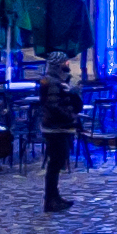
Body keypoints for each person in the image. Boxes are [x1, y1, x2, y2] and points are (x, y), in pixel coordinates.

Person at [37, 55, 83, 214]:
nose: (67, 64)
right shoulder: (52, 82)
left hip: (59, 127)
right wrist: (69, 117)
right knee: (55, 164)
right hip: (55, 128)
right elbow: (53, 106)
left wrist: (73, 93)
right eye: (65, 62)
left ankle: (54, 197)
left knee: (57, 163)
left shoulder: (59, 81)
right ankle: (50, 199)